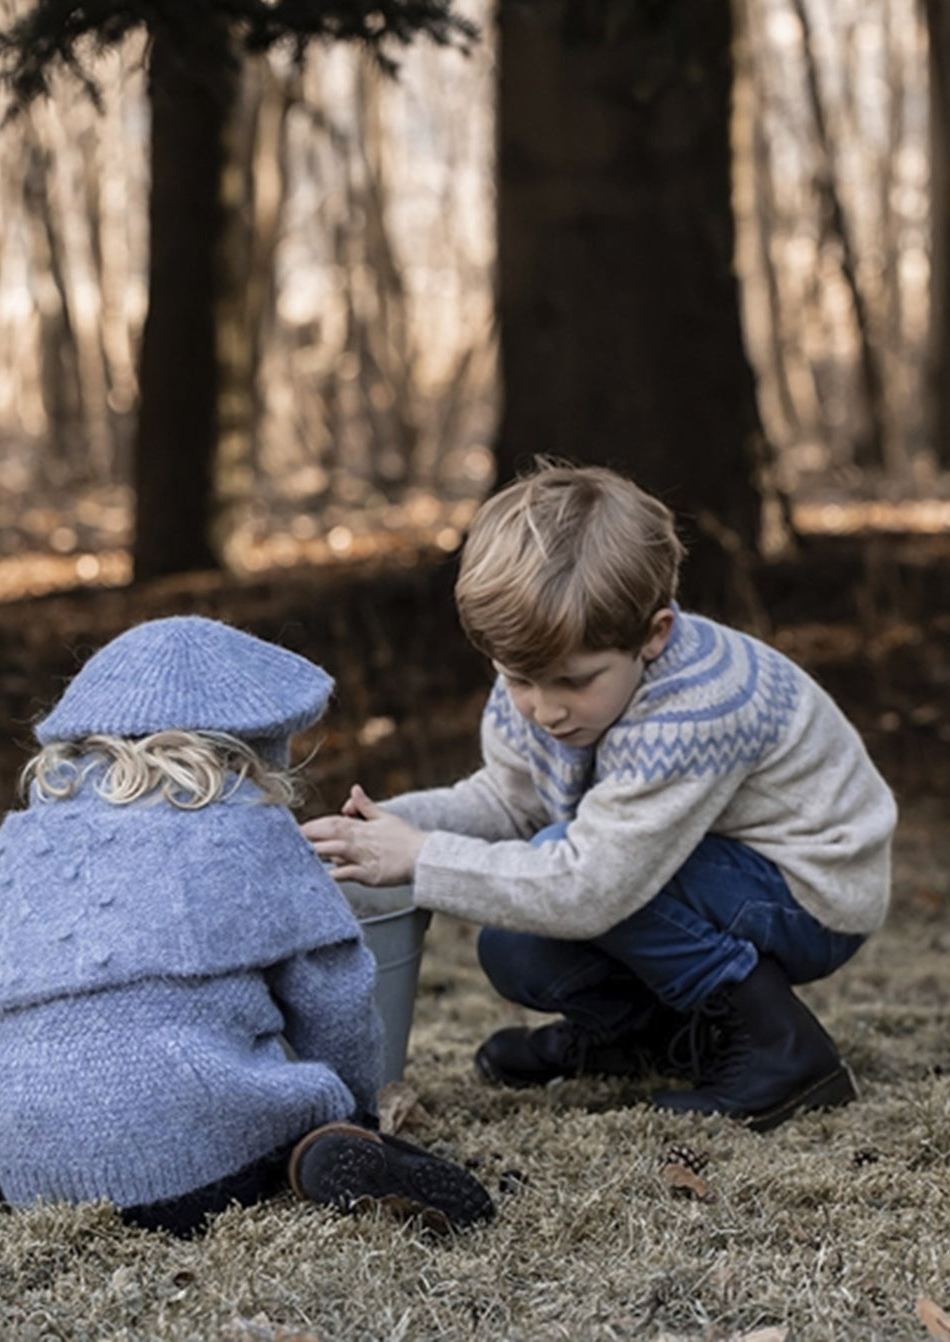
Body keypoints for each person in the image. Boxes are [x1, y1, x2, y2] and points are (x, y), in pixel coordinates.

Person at [0, 617, 494, 1237]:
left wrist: (43, 1061)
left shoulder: (21, 839)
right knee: (285, 1115)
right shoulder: (250, 828)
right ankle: (322, 1151)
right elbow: (334, 1003)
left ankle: (11, 1137)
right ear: (257, 740)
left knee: (40, 1103)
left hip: (30, 1160)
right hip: (196, 1167)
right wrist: (358, 1108)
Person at [302, 462, 897, 1132]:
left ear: (655, 636)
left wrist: (422, 860)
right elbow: (507, 802)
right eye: (518, 679)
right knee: (514, 944)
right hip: (688, 867)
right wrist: (385, 828)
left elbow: (595, 883)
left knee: (563, 868)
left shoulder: (696, 709)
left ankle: (783, 1052)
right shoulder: (545, 676)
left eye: (571, 682)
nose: (545, 711)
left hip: (810, 888)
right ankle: (649, 1040)